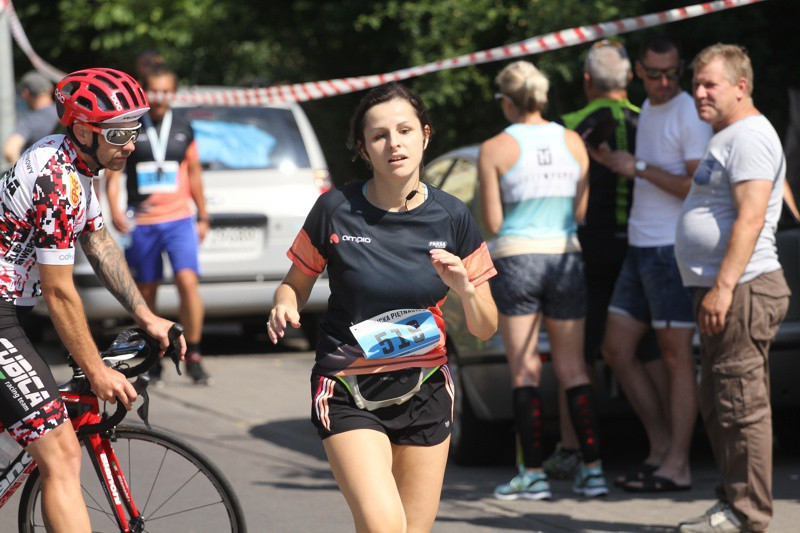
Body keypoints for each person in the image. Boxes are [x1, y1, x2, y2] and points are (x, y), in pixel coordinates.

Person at [268, 82, 497, 532]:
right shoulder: (335, 209)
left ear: (425, 135)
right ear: (363, 148)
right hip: (347, 388)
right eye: (379, 135)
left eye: (405, 130)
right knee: (383, 526)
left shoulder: (453, 216)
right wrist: (284, 305)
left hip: (426, 389)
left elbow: (486, 327)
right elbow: (294, 284)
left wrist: (465, 289)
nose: (394, 144)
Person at [0, 67, 185, 532]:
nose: (131, 144)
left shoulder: (76, 164)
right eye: (118, 133)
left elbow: (99, 242)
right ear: (83, 130)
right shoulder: (57, 182)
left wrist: (146, 315)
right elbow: (60, 293)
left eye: (134, 129)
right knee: (61, 452)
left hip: (12, 308)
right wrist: (98, 371)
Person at [478, 60, 608, 500]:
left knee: (524, 369)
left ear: (507, 101)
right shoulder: (572, 141)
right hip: (565, 257)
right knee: (574, 368)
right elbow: (580, 212)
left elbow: (493, 221)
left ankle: (532, 474)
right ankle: (593, 470)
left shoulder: (495, 147)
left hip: (518, 259)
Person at [676, 44, 790, 533]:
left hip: (742, 288)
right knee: (722, 402)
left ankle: (748, 515)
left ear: (741, 87)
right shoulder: (728, 135)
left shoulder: (749, 136)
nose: (699, 93)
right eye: (696, 84)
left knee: (741, 406)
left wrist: (722, 288)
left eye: (710, 84)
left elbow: (751, 217)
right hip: (724, 289)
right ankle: (733, 505)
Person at [591, 34, 712, 492]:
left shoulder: (688, 112)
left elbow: (696, 186)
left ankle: (678, 464)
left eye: (673, 73)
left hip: (670, 248)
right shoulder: (647, 107)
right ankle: (659, 449)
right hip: (640, 246)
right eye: (655, 73)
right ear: (638, 71)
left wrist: (638, 168)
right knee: (616, 350)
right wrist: (612, 161)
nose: (665, 82)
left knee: (676, 356)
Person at [551, 39, 662, 481]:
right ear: (630, 77)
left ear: (586, 81)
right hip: (640, 243)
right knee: (652, 348)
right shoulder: (648, 119)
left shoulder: (568, 127)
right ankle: (672, 442)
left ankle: (575, 448)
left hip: (586, 248)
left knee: (576, 354)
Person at [105, 64, 211, 386]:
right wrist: (115, 210)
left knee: (187, 283)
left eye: (166, 91)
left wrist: (203, 215)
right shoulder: (132, 125)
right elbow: (113, 174)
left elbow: (194, 171)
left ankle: (194, 354)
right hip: (144, 221)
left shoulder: (183, 126)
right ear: (144, 91)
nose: (160, 97)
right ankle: (154, 355)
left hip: (178, 220)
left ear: (174, 92)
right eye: (154, 90)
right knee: (146, 290)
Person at [2, 71, 59, 162]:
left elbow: (10, 150)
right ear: (51, 89)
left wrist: (19, 169)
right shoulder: (62, 113)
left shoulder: (30, 121)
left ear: (25, 93)